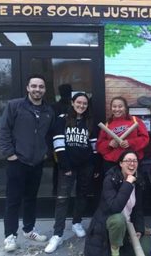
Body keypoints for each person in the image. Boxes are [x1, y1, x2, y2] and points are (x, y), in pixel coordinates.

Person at [0, 74, 54, 252]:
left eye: (41, 86)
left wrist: (46, 153)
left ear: (44, 90)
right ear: (28, 88)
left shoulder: (48, 111)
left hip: (36, 163)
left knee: (31, 198)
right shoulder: (15, 106)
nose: (38, 89)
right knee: (13, 200)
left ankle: (29, 229)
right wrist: (9, 154)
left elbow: (50, 135)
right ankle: (10, 236)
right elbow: (4, 130)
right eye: (34, 86)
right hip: (17, 162)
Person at [45, 92, 101, 253]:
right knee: (62, 199)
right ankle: (57, 234)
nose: (81, 106)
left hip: (86, 166)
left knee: (82, 195)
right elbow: (58, 143)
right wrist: (65, 165)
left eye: (84, 103)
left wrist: (96, 166)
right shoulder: (62, 119)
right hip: (67, 167)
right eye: (79, 102)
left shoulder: (90, 121)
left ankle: (77, 222)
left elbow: (94, 146)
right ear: (72, 102)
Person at [84, 150, 145, 256]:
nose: (132, 163)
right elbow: (115, 207)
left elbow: (138, 209)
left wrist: (139, 229)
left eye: (135, 161)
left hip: (127, 226)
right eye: (128, 160)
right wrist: (128, 183)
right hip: (107, 225)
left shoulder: (138, 181)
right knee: (118, 219)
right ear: (121, 163)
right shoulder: (110, 179)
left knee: (146, 249)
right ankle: (115, 250)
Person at [96, 96, 149, 172]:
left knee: (131, 183)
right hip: (112, 163)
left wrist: (130, 143)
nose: (117, 109)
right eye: (114, 106)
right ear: (111, 108)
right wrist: (109, 144)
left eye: (120, 106)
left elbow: (145, 139)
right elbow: (99, 146)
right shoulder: (107, 125)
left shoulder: (135, 121)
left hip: (131, 161)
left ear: (125, 108)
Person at [51, 83, 72, 195]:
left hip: (61, 140)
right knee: (58, 166)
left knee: (58, 167)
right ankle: (57, 190)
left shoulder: (55, 106)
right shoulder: (56, 107)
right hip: (61, 139)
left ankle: (56, 190)